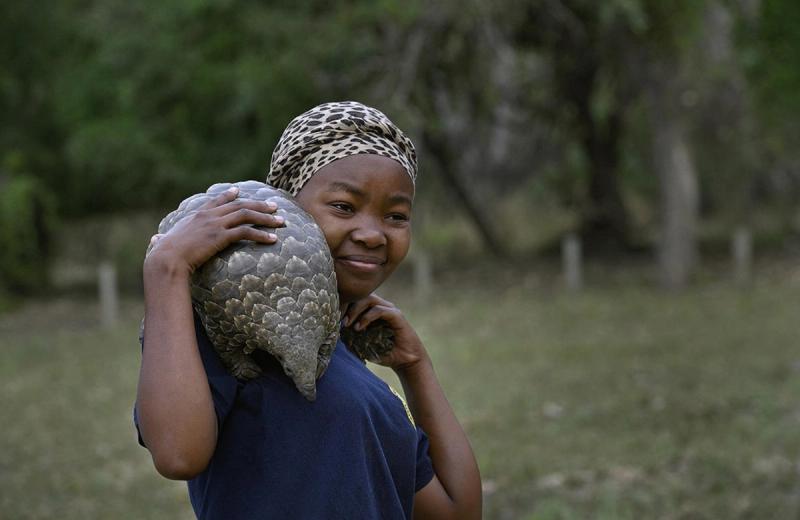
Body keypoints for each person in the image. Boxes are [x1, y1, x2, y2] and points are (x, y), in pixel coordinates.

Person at [135, 101, 482, 519]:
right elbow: (177, 455)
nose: (373, 235)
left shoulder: (357, 374)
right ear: (285, 208)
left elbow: (456, 512)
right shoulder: (234, 328)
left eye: (395, 215)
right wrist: (168, 269)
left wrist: (416, 367)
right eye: (343, 207)